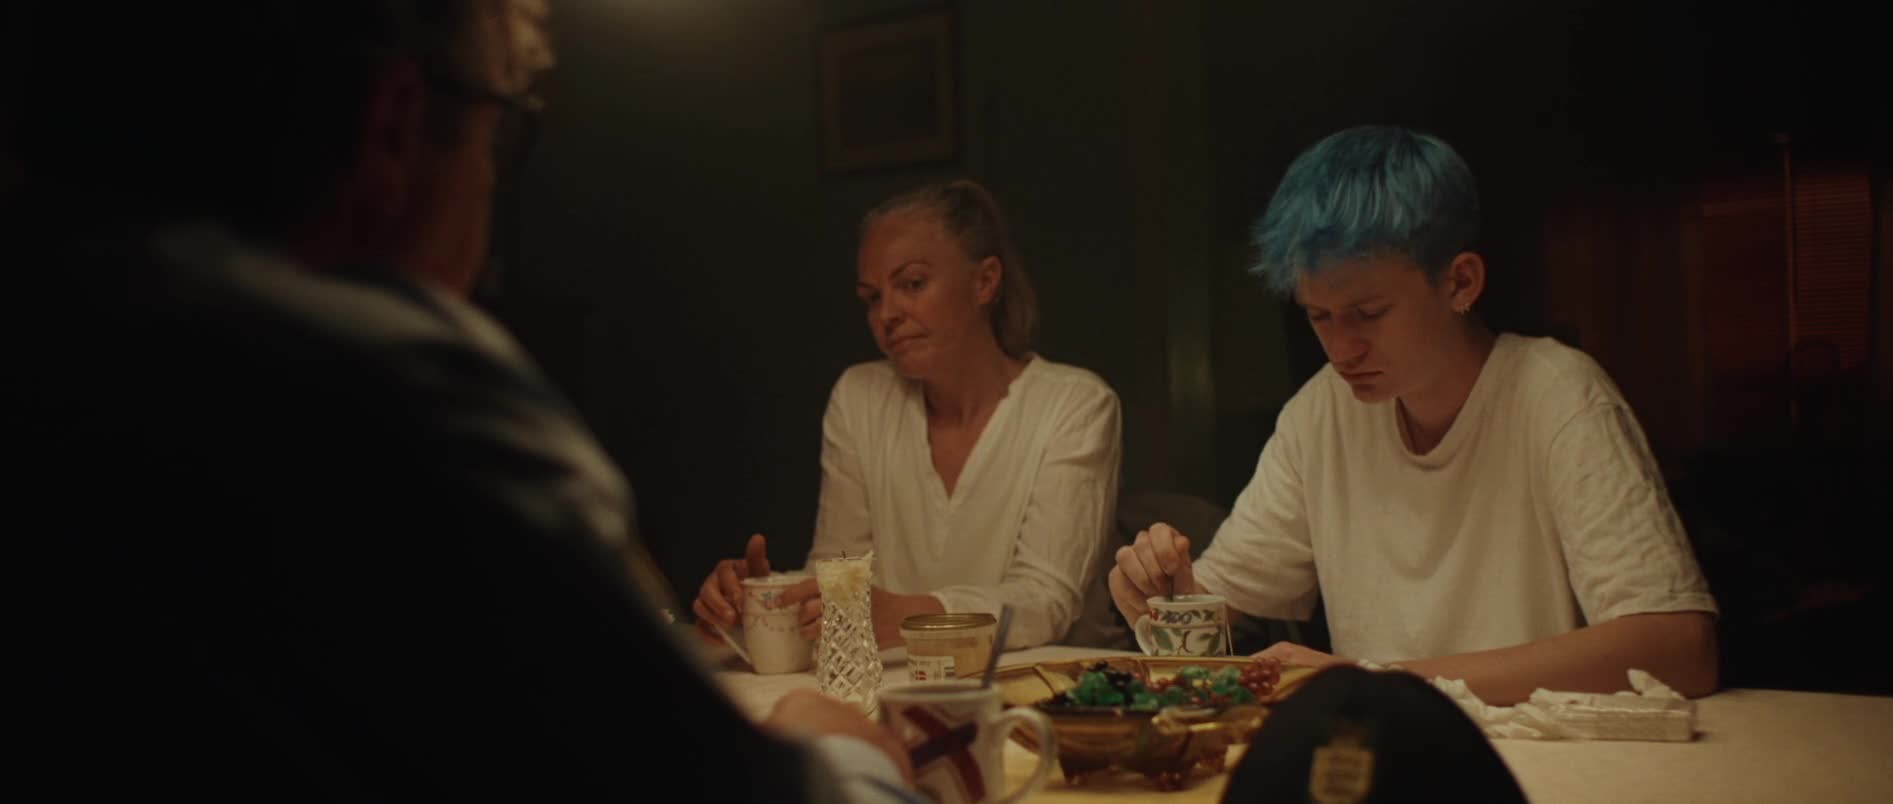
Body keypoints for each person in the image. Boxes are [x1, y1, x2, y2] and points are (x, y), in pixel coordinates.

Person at [15, 2, 919, 800]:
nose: (493, 180)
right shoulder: (401, 392)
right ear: (397, 128)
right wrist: (841, 753)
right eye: (501, 137)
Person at [1108, 125, 1720, 705]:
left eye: (1369, 313)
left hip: (1540, 759)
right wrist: (1163, 594)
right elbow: (1220, 599)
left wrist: (1377, 681)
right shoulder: (1323, 410)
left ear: (1460, 282)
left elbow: (1680, 649)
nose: (1341, 349)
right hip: (1381, 754)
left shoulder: (1557, 396)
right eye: (1319, 316)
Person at [694, 181, 1125, 651]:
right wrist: (764, 600)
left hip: (1044, 685)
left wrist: (908, 617)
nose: (887, 315)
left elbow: (1044, 602)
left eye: (913, 284)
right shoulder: (860, 397)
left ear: (985, 282)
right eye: (872, 297)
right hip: (899, 683)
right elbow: (838, 572)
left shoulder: (1074, 405)